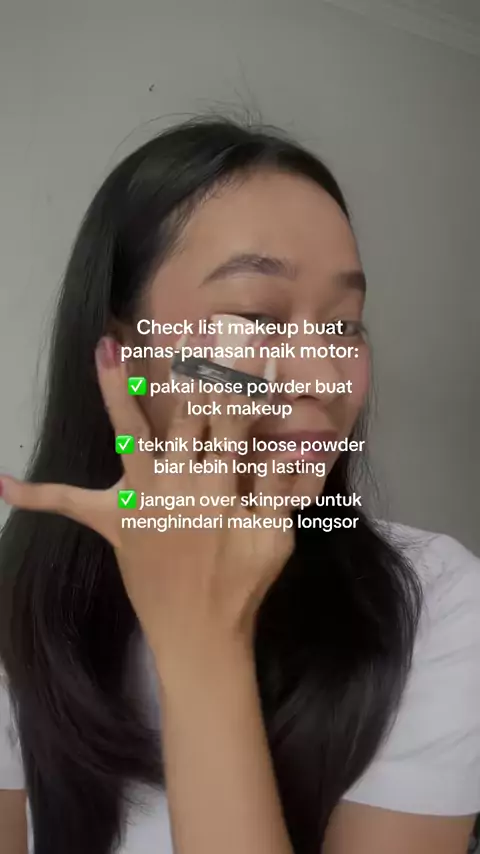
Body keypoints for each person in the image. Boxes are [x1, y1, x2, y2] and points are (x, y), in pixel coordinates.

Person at [0, 115, 479, 854]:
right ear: (120, 349)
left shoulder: (439, 603)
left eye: (345, 326)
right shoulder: (21, 605)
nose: (323, 377)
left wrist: (202, 648)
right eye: (255, 316)